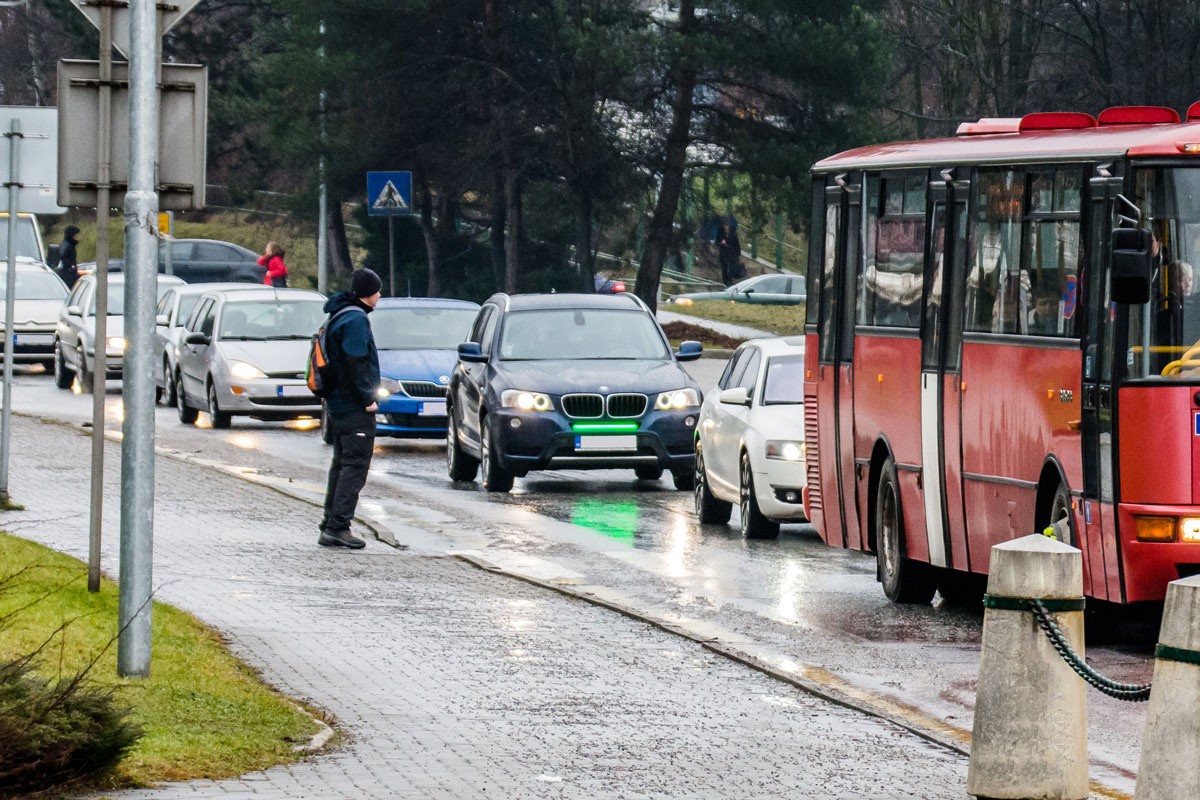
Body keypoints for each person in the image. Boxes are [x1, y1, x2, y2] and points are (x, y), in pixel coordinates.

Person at [318, 268, 382, 550]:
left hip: (337, 403)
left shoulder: (340, 313)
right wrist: (367, 397)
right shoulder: (355, 320)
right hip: (352, 404)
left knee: (341, 464)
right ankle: (338, 526)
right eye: (378, 291)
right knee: (354, 466)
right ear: (369, 294)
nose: (380, 296)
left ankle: (330, 522)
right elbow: (356, 360)